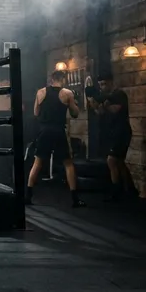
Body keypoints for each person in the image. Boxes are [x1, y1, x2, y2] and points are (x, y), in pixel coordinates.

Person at [26, 70, 84, 207]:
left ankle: (28, 196)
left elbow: (36, 112)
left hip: (44, 131)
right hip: (58, 131)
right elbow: (75, 114)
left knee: (38, 162)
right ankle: (75, 199)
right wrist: (74, 102)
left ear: (51, 79)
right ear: (63, 79)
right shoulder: (67, 93)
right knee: (68, 164)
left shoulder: (40, 92)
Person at [87, 73, 137, 201]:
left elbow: (115, 110)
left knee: (111, 160)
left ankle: (117, 190)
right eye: (100, 85)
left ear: (111, 82)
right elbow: (99, 112)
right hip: (113, 132)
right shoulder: (108, 98)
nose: (102, 87)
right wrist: (92, 101)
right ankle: (130, 189)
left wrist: (101, 101)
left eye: (104, 84)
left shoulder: (119, 95)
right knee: (119, 162)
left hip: (122, 131)